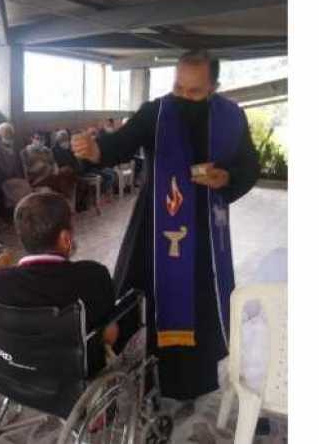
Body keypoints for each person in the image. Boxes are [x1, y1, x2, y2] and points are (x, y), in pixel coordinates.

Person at [72, 49, 260, 402]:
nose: (184, 97)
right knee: (136, 298)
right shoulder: (155, 112)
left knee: (199, 305)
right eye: (178, 88)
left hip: (205, 233)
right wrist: (94, 151)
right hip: (155, 228)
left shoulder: (233, 117)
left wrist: (226, 178)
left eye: (195, 92)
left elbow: (249, 166)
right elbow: (118, 145)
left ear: (214, 86)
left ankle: (192, 382)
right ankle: (130, 372)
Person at [0, 192, 118, 374]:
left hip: (17, 371)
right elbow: (109, 334)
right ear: (65, 239)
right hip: (72, 373)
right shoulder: (93, 275)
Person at [22, 131, 77, 200]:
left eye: (42, 139)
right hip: (38, 179)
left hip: (51, 176)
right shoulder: (26, 151)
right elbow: (25, 169)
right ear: (32, 138)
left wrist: (55, 169)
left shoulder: (47, 150)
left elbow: (53, 163)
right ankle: (63, 197)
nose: (40, 141)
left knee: (66, 170)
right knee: (51, 187)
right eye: (37, 138)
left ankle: (67, 199)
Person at [0, 122, 33, 211]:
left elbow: (22, 162)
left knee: (26, 190)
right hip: (5, 177)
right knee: (14, 192)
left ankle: (25, 210)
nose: (8, 134)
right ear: (0, 134)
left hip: (18, 176)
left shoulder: (17, 145)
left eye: (9, 132)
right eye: (5, 132)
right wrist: (8, 174)